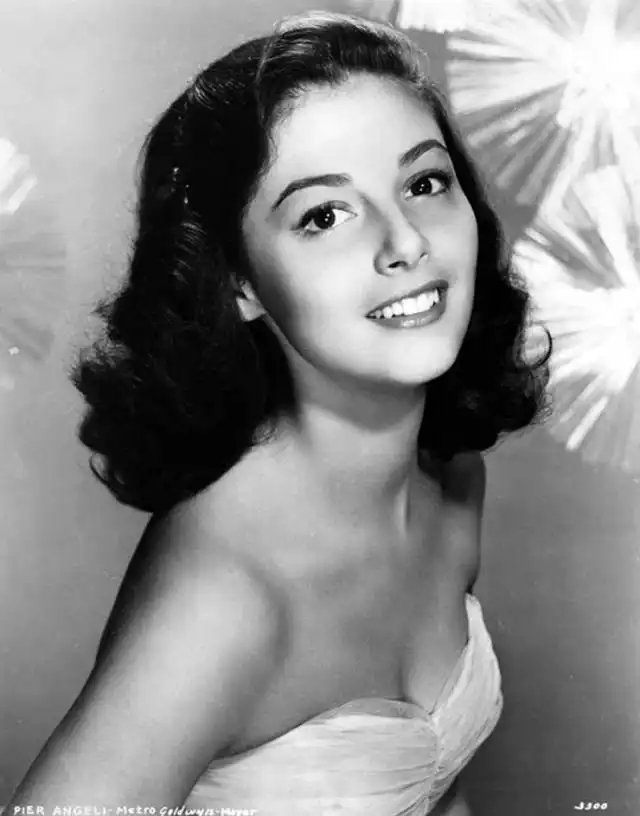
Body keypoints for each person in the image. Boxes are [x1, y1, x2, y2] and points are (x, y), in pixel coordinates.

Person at [6, 10, 551, 815]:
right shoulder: (223, 599)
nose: (405, 242)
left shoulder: (451, 486)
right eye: (324, 215)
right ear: (240, 283)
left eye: (424, 183)